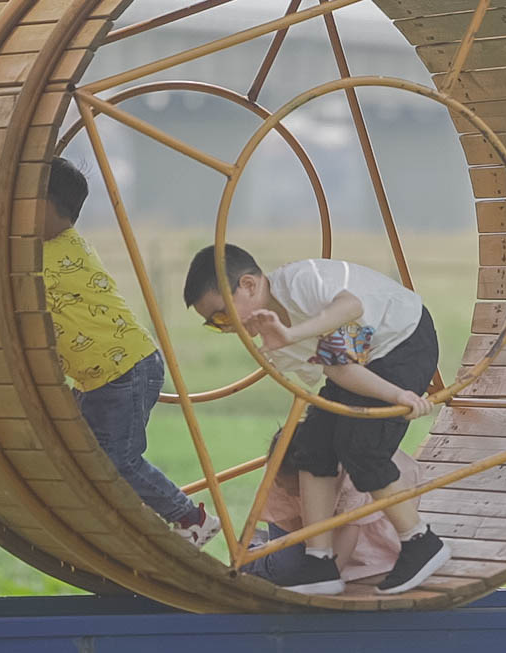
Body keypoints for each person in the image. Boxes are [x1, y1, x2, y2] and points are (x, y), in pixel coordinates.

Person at [183, 245, 450, 595]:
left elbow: (351, 307)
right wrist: (394, 394)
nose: (226, 327)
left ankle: (420, 541)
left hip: (403, 337)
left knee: (361, 447)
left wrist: (292, 334)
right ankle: (319, 561)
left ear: (248, 285)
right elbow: (339, 370)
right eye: (216, 325)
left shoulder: (301, 281)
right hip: (362, 361)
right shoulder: (274, 342)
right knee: (311, 445)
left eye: (223, 316)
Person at [42, 157, 220, 548]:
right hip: (99, 376)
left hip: (125, 369)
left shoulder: (55, 254)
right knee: (83, 454)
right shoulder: (49, 250)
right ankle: (119, 526)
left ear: (47, 206)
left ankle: (192, 519)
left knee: (118, 460)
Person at [240, 428, 421, 585]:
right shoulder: (281, 477)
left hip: (360, 515)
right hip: (296, 520)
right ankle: (250, 555)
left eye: (294, 489)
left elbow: (350, 530)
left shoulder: (351, 475)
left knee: (371, 563)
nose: (286, 490)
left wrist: (326, 577)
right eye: (281, 484)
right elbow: (290, 524)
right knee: (287, 568)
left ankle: (266, 547)